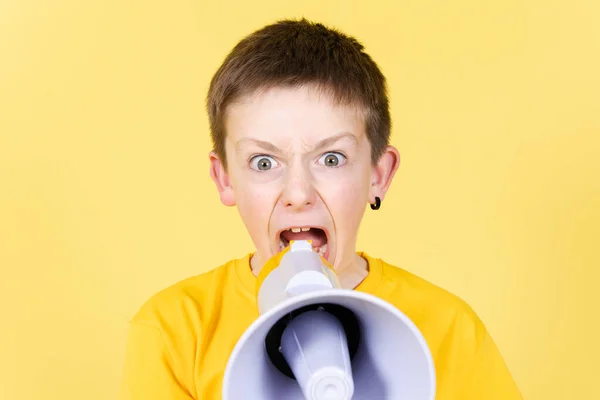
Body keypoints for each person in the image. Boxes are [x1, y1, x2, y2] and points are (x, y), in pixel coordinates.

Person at [119, 18, 523, 399]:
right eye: (264, 162)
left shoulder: (449, 329)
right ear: (225, 179)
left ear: (378, 174)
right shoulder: (173, 328)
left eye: (331, 159)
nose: (299, 193)